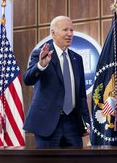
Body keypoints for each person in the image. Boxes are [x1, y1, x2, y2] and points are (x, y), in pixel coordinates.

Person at [23, 15, 90, 148]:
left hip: (73, 124)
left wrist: (86, 121)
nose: (70, 34)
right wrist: (41, 65)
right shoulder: (40, 54)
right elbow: (28, 79)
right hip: (47, 123)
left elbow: (81, 94)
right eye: (65, 30)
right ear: (52, 32)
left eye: (71, 30)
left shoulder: (77, 59)